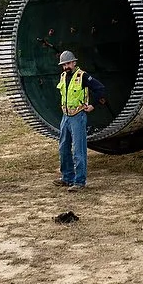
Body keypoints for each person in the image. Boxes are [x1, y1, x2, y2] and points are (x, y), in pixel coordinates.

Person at [55, 50, 108, 189]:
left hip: (78, 116)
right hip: (65, 116)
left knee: (79, 149)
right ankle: (67, 177)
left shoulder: (83, 76)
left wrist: (92, 105)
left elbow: (100, 89)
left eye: (68, 63)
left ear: (74, 63)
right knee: (63, 148)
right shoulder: (63, 76)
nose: (66, 66)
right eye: (63, 64)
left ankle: (79, 181)